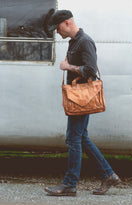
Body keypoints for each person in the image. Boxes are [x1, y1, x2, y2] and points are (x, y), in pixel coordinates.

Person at [44, 10, 121, 196]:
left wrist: (67, 66)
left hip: (81, 98)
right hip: (77, 99)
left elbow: (90, 71)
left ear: (67, 23)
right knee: (81, 138)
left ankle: (70, 185)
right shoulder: (74, 42)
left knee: (73, 138)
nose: (57, 32)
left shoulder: (85, 41)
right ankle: (109, 174)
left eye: (58, 27)